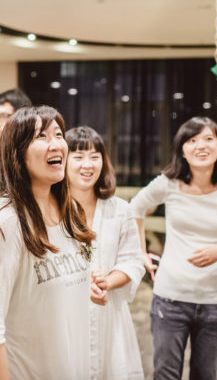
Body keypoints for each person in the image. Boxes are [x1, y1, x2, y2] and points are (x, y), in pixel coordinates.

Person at [0, 106, 96, 379]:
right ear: (17, 152)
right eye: (41, 136)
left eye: (59, 134)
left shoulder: (71, 210)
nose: (56, 144)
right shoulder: (6, 219)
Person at [129, 116, 217, 380]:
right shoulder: (168, 184)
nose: (201, 145)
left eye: (208, 139)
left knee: (205, 375)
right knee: (165, 374)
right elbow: (134, 209)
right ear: (182, 151)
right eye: (192, 140)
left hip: (214, 303)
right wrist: (140, 253)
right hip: (169, 300)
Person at [65, 126, 146, 379]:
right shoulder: (51, 210)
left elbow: (133, 261)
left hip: (109, 318)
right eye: (78, 156)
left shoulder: (120, 210)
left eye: (94, 156)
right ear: (63, 161)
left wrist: (107, 282)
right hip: (64, 318)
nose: (87, 164)